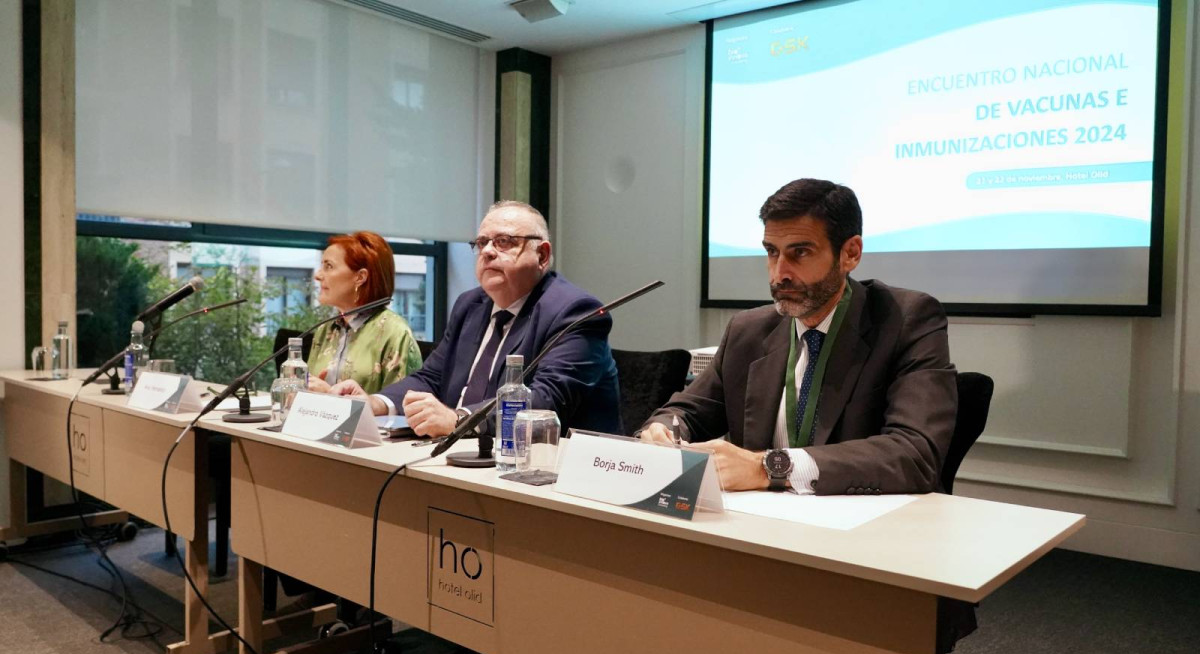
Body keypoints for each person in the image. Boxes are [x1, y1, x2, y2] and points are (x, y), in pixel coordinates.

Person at [640, 178, 957, 496]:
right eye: (772, 252)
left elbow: (916, 455)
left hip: (864, 527)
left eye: (800, 252)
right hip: (760, 524)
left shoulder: (906, 321)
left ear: (850, 253)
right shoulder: (747, 331)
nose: (780, 273)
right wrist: (664, 430)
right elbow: (688, 411)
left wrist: (769, 467)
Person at [331, 201, 621, 437]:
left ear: (542, 255)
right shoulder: (471, 305)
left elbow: (546, 402)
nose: (488, 251)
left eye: (504, 242)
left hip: (548, 475)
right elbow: (431, 377)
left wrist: (459, 420)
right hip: (462, 458)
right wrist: (375, 404)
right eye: (481, 243)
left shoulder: (576, 312)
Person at [306, 231, 422, 395]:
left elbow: (401, 407)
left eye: (328, 266)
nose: (318, 275)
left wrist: (330, 395)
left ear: (360, 277)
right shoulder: (325, 329)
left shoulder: (395, 333)